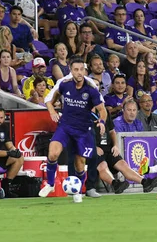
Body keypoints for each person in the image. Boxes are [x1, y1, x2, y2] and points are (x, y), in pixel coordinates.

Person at [39, 57, 107, 203]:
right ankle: (50, 184)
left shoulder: (91, 89)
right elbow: (50, 100)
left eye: (81, 69)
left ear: (85, 70)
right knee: (53, 153)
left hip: (83, 129)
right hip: (65, 126)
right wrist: (52, 111)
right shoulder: (64, 85)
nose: (79, 72)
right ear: (71, 71)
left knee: (80, 163)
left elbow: (102, 110)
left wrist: (101, 122)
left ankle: (79, 190)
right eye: (76, 70)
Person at [95, 105, 157, 195]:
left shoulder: (104, 111)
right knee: (103, 165)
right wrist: (93, 147)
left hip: (108, 148)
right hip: (93, 149)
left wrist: (116, 145)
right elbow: (81, 134)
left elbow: (112, 131)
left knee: (123, 164)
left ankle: (145, 182)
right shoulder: (85, 113)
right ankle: (115, 184)